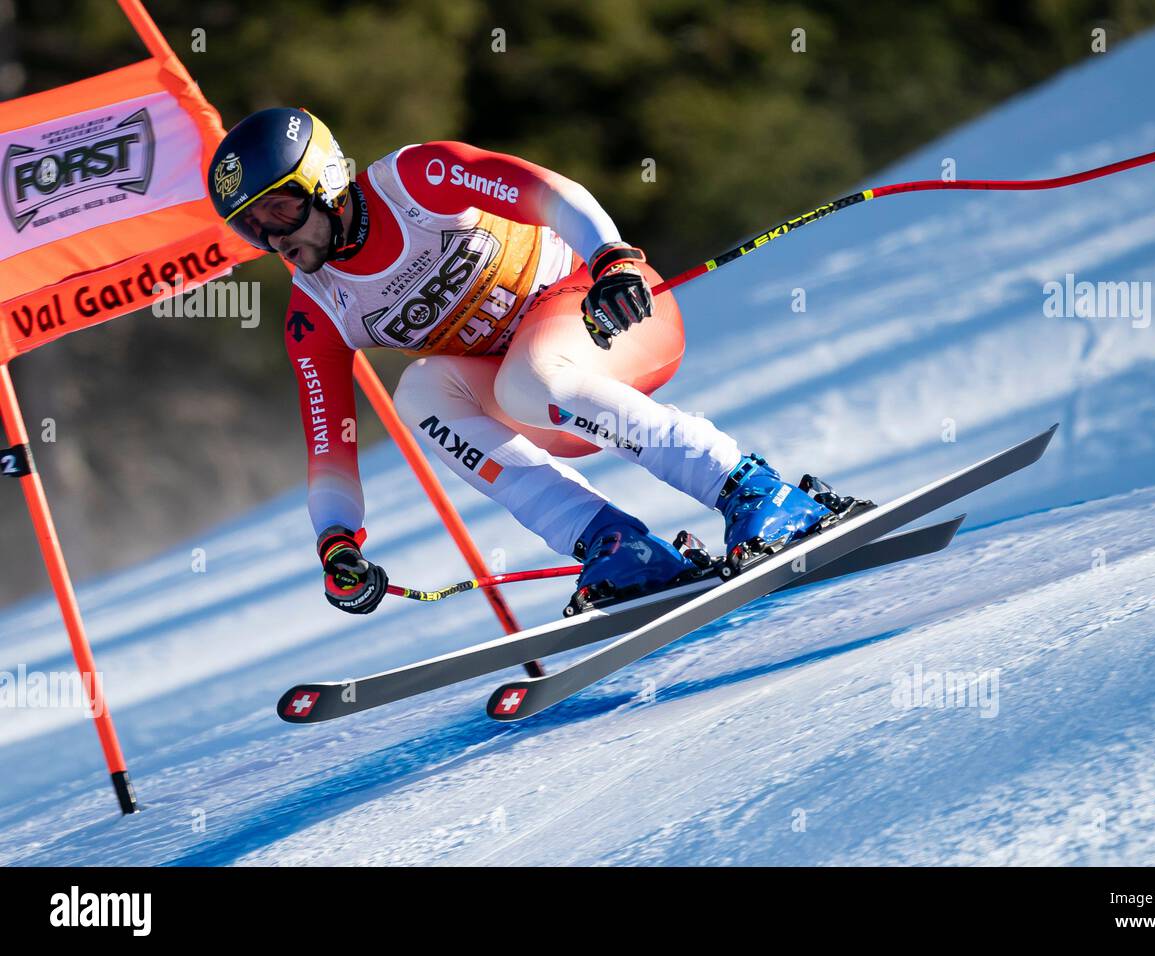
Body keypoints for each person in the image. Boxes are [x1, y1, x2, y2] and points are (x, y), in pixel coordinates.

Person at [207, 107, 849, 615]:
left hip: (613, 320)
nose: (274, 236)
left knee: (527, 379)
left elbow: (547, 192)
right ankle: (616, 546)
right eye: (251, 226)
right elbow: (329, 439)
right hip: (546, 404)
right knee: (421, 394)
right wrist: (337, 542)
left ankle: (754, 490)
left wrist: (611, 258)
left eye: (281, 208)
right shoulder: (316, 307)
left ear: (323, 179)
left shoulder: (416, 180)